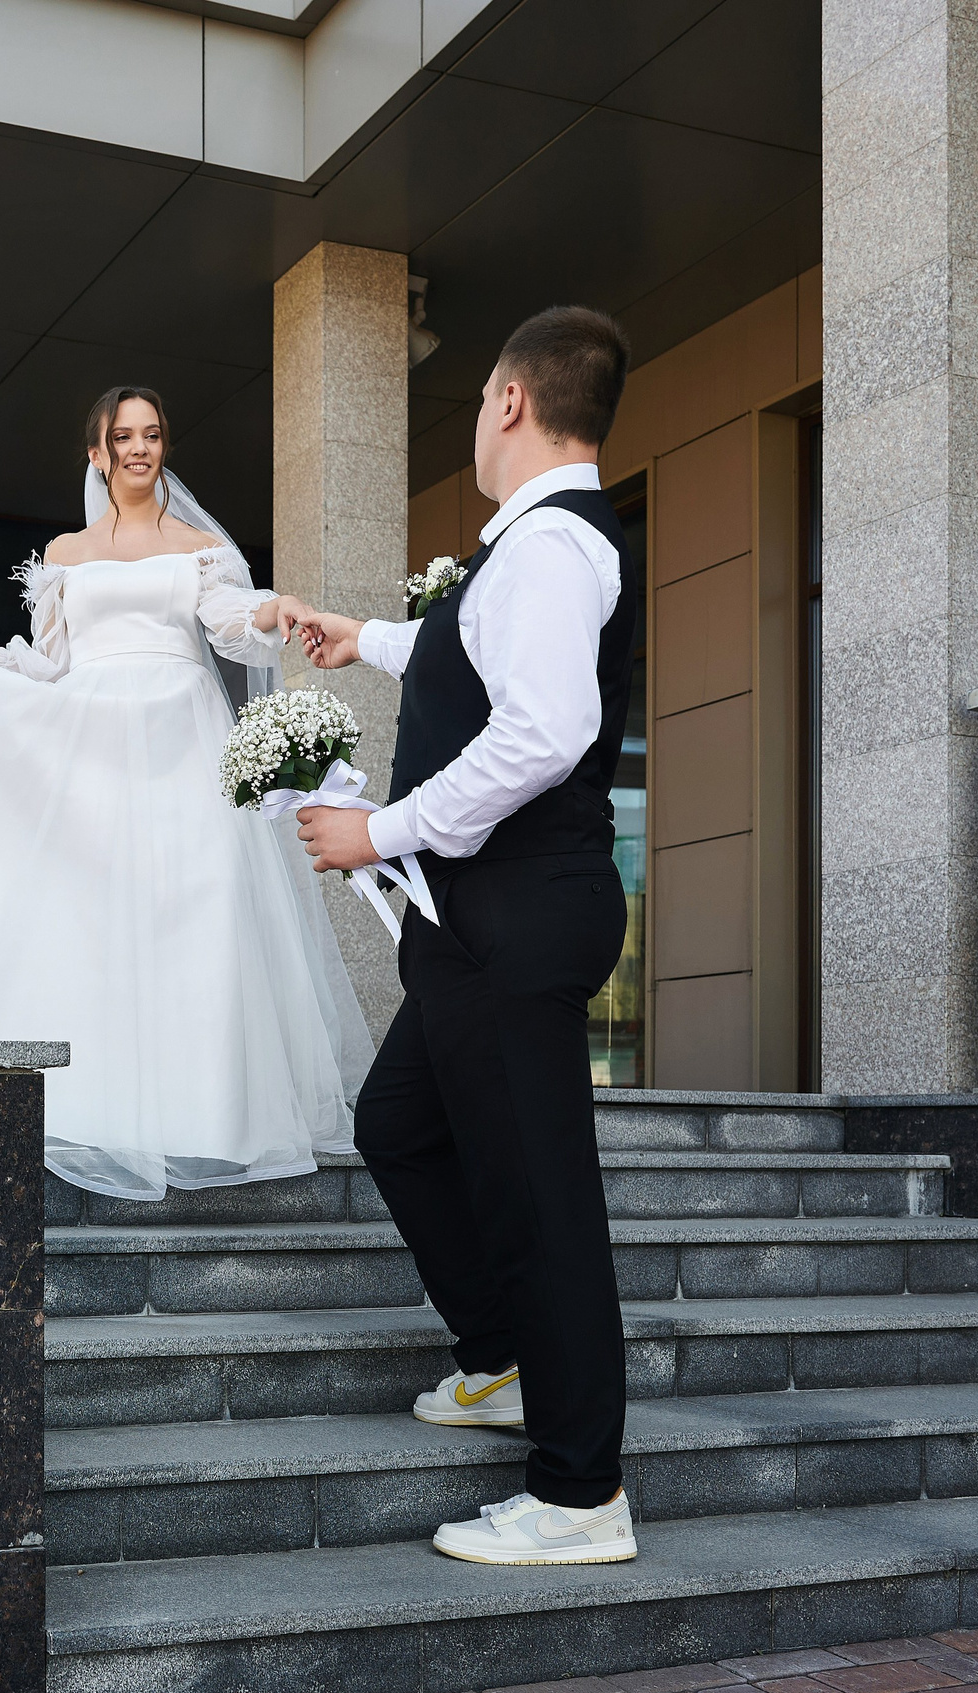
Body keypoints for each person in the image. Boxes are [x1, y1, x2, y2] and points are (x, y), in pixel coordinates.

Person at [293, 306, 640, 1565]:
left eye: (477, 400)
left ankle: (578, 1493)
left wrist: (379, 831)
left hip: (512, 915)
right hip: (472, 927)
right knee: (397, 1126)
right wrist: (366, 637)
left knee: (541, 1201)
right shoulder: (533, 553)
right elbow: (478, 657)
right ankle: (496, 1354)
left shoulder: (549, 550)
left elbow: (539, 732)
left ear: (506, 400)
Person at [0, 386, 374, 1200]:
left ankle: (206, 1119)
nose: (139, 449)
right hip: (91, 747)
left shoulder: (198, 547)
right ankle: (101, 1106)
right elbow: (51, 664)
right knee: (93, 924)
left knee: (195, 919)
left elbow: (233, 621)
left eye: (152, 435)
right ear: (96, 453)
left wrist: (282, 607)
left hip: (181, 740)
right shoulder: (64, 554)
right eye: (122, 437)